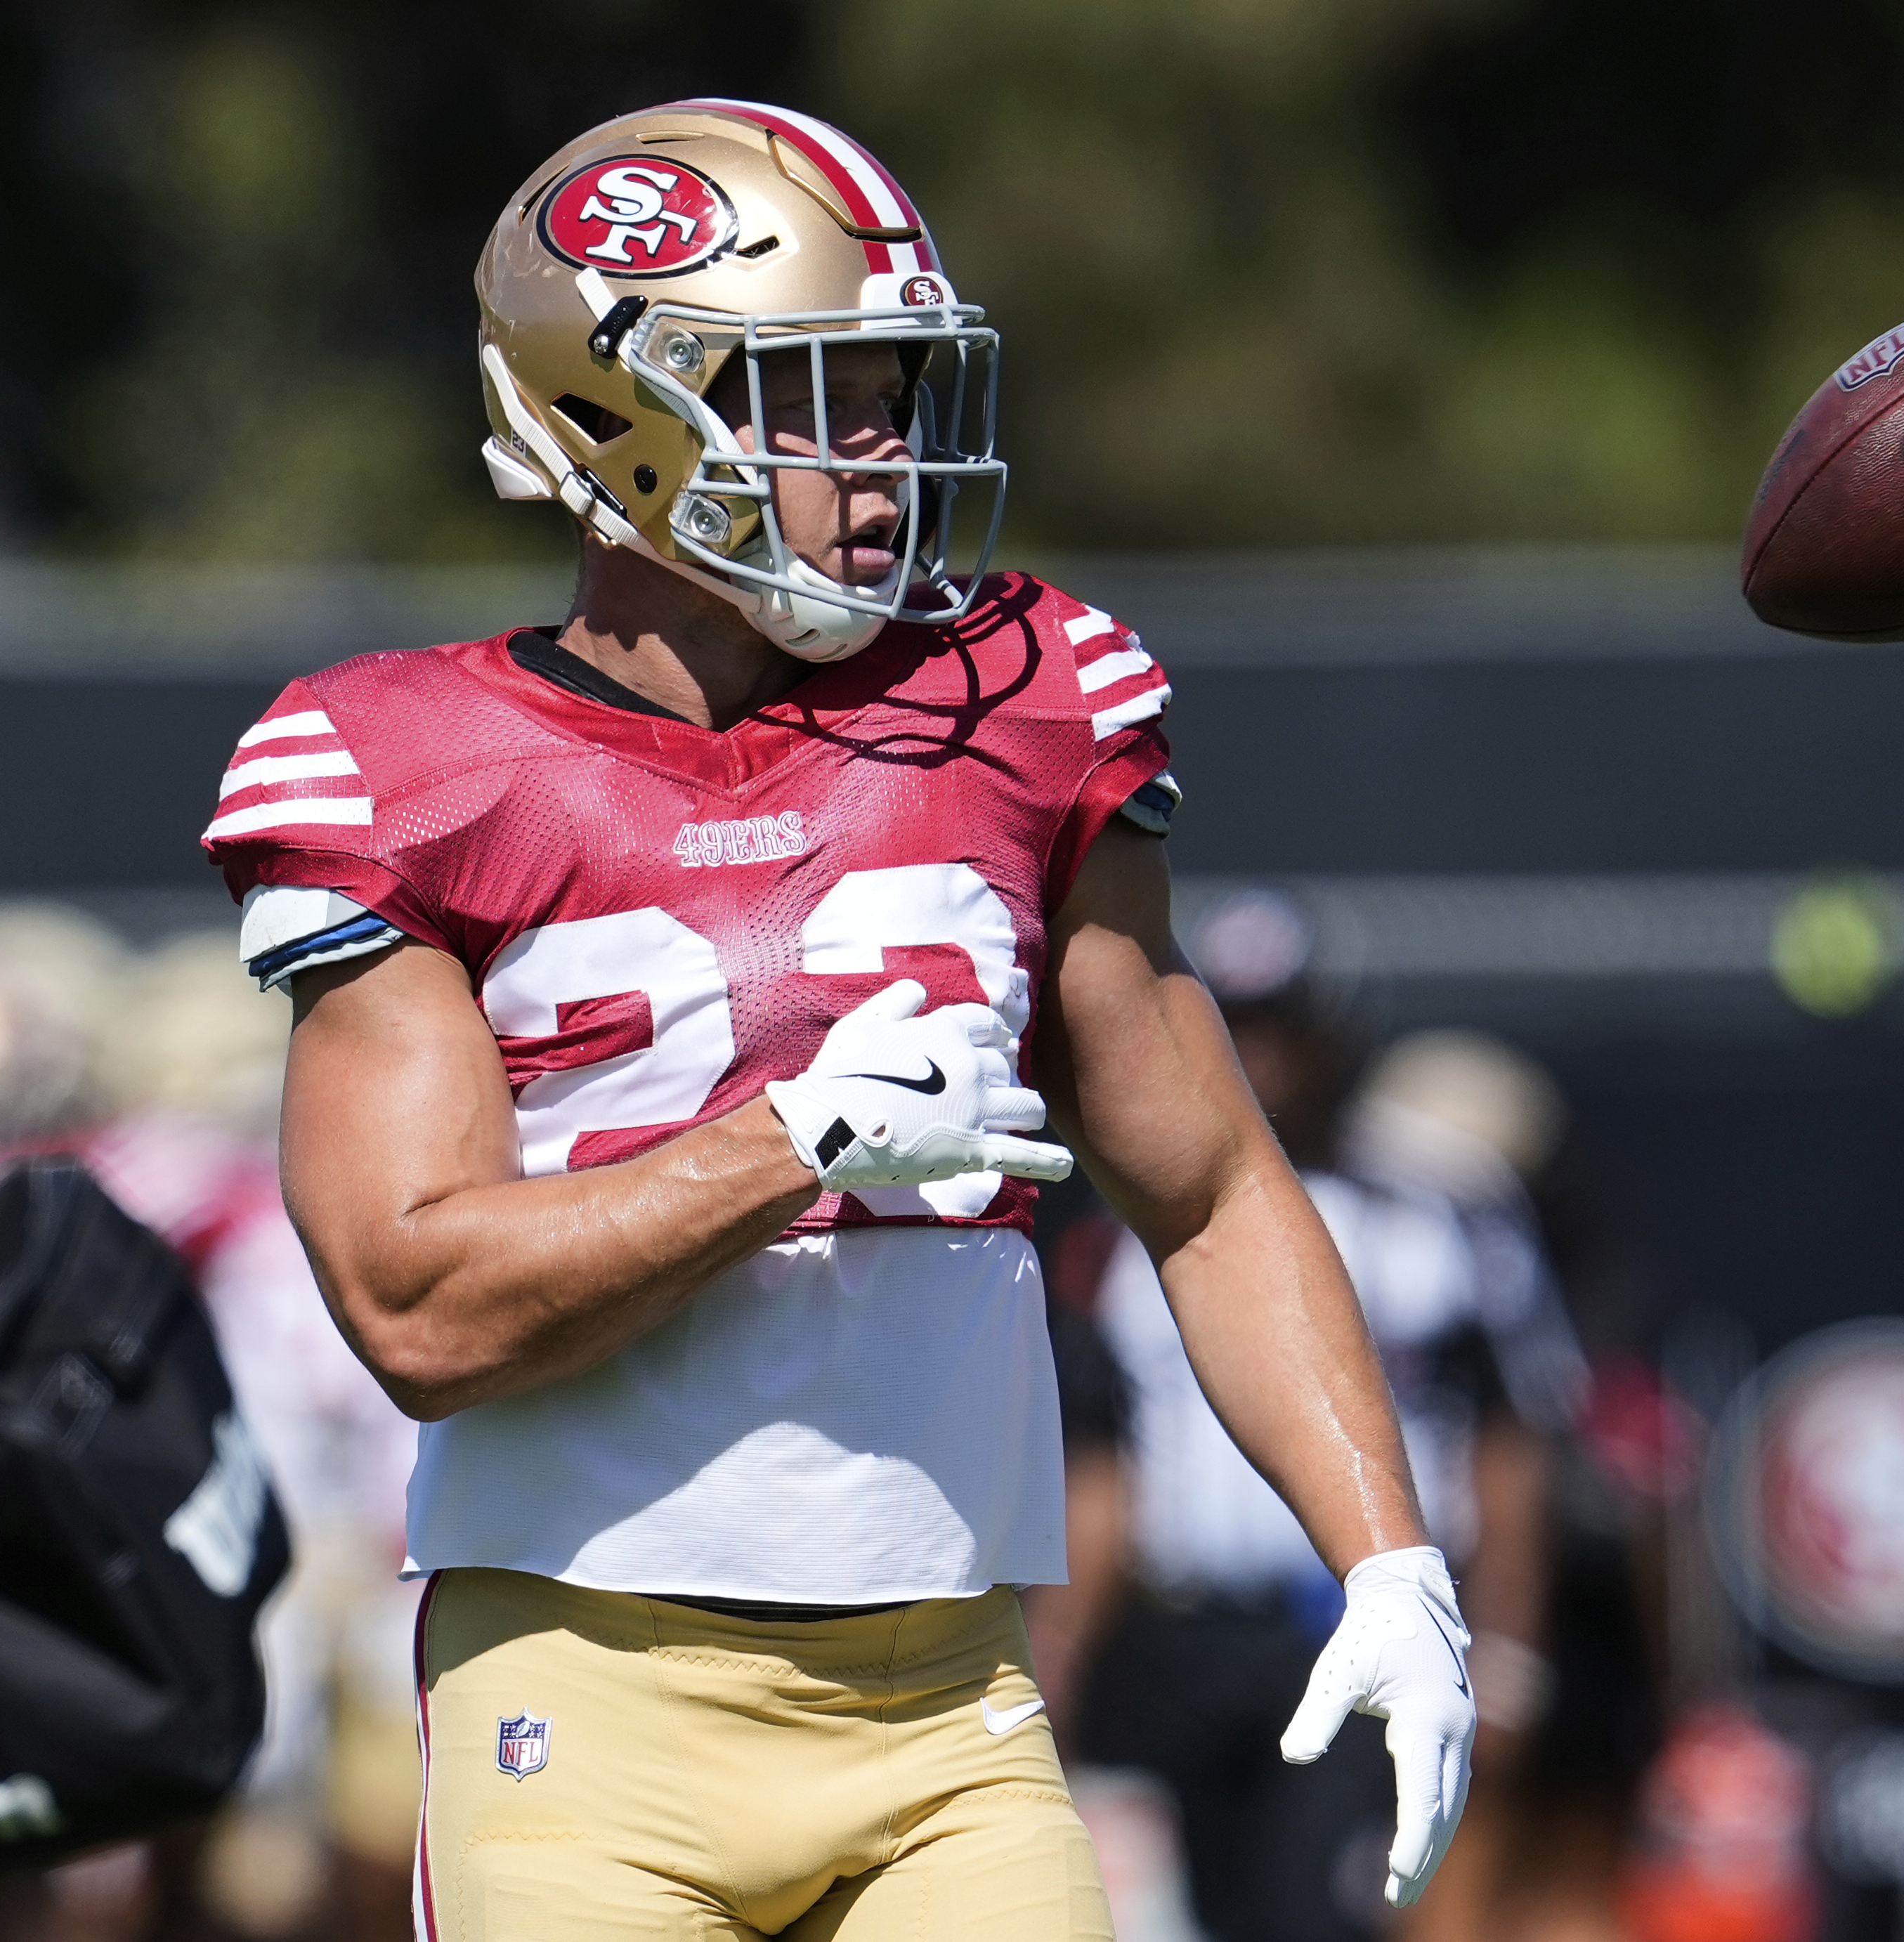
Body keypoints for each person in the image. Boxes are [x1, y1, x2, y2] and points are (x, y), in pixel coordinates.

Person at [202, 100, 1473, 1942]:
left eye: (899, 390)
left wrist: (1392, 1561)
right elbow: (419, 1307)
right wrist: (782, 1140)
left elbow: (1204, 1190)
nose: (885, 462)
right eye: (819, 399)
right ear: (623, 412)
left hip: (951, 1710)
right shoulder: (409, 767)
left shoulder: (1021, 697)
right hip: (587, 1709)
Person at [1076, 895, 1584, 1941]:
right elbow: (1104, 1465)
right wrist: (1062, 1653)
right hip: (1185, 1635)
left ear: (1336, 1033)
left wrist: (1511, 1653)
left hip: (1355, 1621)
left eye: (1281, 1027)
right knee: (1191, 1914)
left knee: (1324, 1913)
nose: (1258, 1056)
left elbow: (1511, 1442)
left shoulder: (1440, 1208)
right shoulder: (1124, 1216)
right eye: (1236, 1024)